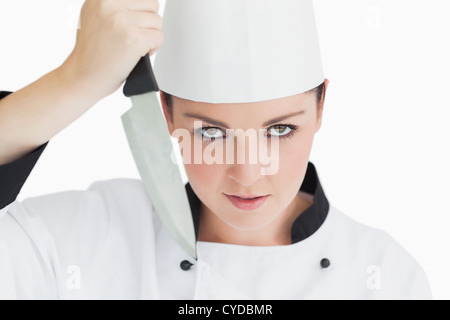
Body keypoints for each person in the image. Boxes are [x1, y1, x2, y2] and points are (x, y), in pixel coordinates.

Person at [0, 0, 432, 300]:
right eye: (210, 132)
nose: (247, 173)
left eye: (280, 129)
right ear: (166, 116)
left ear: (321, 108)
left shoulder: (387, 278)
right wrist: (75, 80)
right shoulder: (78, 240)